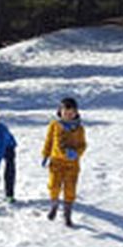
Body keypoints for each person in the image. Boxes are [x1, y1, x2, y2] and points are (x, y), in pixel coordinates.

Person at [41, 97, 87, 227]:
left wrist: (77, 153)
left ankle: (67, 213)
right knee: (53, 186)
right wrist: (45, 155)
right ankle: (54, 205)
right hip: (56, 162)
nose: (68, 116)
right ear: (60, 112)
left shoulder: (79, 129)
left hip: (72, 165)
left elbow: (83, 145)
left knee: (70, 189)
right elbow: (49, 141)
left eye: (71, 113)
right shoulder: (54, 125)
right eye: (65, 113)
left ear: (76, 113)